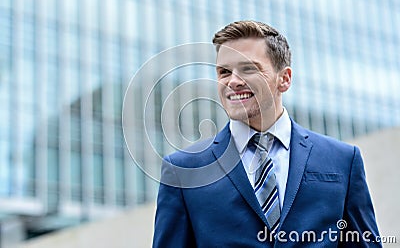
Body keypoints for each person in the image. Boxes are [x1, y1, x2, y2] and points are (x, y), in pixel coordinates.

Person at [153, 20, 381, 247]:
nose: (233, 81)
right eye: (224, 72)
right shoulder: (183, 170)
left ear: (285, 79)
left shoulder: (343, 160)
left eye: (248, 69)